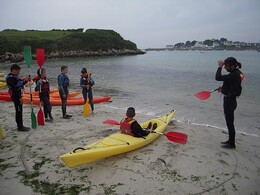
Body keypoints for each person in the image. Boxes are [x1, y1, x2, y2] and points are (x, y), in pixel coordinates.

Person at [215, 57, 244, 149]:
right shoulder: (237, 73)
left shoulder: (234, 75)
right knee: (229, 122)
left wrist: (219, 67)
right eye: (224, 66)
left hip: (230, 102)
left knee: (230, 122)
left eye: (226, 66)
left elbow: (218, 77)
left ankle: (232, 144)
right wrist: (223, 89)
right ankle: (230, 141)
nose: (225, 68)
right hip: (231, 100)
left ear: (232, 65)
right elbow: (233, 86)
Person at [6, 64, 30, 131]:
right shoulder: (10, 78)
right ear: (14, 70)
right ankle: (20, 127)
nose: (19, 73)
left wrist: (26, 81)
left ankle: (21, 125)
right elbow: (14, 89)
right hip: (15, 96)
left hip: (17, 95)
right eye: (18, 71)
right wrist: (19, 97)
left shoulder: (14, 77)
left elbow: (20, 84)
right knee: (18, 110)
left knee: (20, 110)